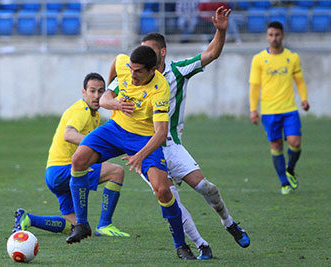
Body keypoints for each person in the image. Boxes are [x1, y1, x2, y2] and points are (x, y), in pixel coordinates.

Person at [108, 6, 250, 257]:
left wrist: (220, 31)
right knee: (168, 195)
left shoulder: (177, 71)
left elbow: (210, 53)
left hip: (171, 144)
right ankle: (201, 245)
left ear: (162, 53)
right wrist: (113, 102)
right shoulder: (133, 75)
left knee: (206, 187)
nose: (142, 57)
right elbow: (108, 95)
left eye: (149, 52)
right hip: (143, 146)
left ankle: (229, 223)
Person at [68, 46, 196, 260]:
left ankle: (181, 245)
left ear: (152, 70)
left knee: (163, 191)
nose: (132, 74)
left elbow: (161, 133)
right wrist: (111, 93)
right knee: (78, 160)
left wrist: (141, 155)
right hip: (115, 129)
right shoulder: (124, 64)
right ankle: (82, 224)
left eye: (138, 71)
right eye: (131, 69)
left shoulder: (160, 88)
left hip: (144, 139)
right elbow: (115, 68)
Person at [12, 73, 129, 238]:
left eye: (101, 92)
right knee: (116, 172)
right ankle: (105, 224)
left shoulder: (93, 115)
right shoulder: (82, 111)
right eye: (92, 91)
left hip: (53, 174)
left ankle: (28, 219)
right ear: (84, 92)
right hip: (63, 169)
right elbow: (69, 134)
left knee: (74, 226)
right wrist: (95, 143)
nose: (96, 96)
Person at [249, 21, 310, 195]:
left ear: (282, 35)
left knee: (295, 143)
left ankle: (290, 169)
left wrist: (304, 99)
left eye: (277, 35)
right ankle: (284, 182)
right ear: (267, 37)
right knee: (276, 146)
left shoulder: (292, 58)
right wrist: (253, 109)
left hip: (289, 109)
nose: (274, 38)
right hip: (269, 111)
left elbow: (299, 80)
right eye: (271, 35)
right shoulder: (259, 59)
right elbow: (254, 86)